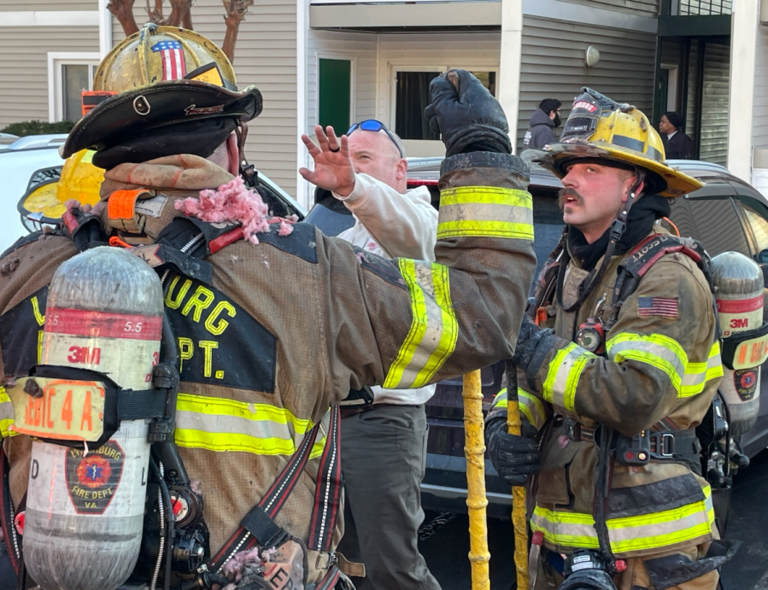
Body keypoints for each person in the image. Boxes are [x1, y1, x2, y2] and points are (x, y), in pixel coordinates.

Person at [0, 25, 536, 590]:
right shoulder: (309, 275)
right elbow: (483, 315)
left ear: (103, 149)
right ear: (234, 144)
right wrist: (483, 154)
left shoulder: (22, 272)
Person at [487, 88, 736, 590]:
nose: (569, 180)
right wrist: (505, 424)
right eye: (567, 167)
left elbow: (633, 397)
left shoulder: (667, 278)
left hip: (650, 554)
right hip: (560, 544)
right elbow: (531, 380)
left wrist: (534, 348)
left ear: (635, 186)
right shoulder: (565, 268)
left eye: (591, 168)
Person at [300, 120, 440, 590]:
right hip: (328, 422)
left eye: (363, 158)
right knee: (332, 560)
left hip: (383, 425)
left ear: (401, 170)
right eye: (346, 156)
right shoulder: (347, 240)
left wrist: (352, 185)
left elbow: (404, 231)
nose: (349, 166)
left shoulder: (424, 224)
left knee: (393, 568)